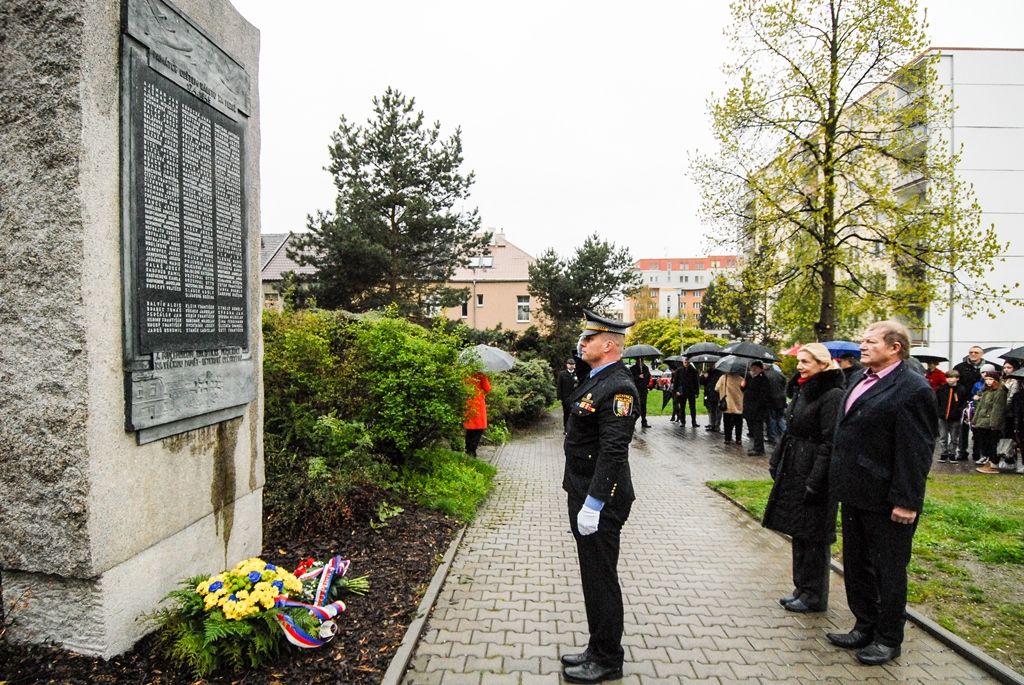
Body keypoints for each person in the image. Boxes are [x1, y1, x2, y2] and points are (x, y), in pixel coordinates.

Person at [827, 320, 936, 666]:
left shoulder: (912, 389)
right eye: (862, 340)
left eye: (870, 341)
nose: (862, 345)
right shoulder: (860, 378)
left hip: (888, 500)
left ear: (895, 348)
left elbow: (916, 450)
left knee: (888, 570)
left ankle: (889, 639)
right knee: (856, 565)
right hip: (855, 492)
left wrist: (907, 500)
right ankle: (864, 625)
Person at [560, 310, 639, 684]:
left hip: (600, 499)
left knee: (601, 577)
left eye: (588, 339)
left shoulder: (619, 387)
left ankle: (609, 659)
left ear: (608, 345)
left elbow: (613, 451)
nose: (582, 343)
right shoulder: (598, 378)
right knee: (592, 577)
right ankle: (597, 647)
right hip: (582, 489)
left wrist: (594, 504)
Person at [763, 343, 844, 614]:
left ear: (822, 364)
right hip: (795, 466)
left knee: (815, 536)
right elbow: (790, 430)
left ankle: (814, 594)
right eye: (799, 361)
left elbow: (829, 441)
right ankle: (801, 587)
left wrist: (816, 479)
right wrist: (777, 461)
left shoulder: (832, 395)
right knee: (799, 529)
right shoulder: (803, 389)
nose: (799, 366)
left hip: (813, 470)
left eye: (806, 362)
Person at [972, 368, 1007, 473]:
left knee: (993, 444)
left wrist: (994, 424)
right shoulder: (985, 391)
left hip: (992, 423)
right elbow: (980, 407)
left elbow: (998, 409)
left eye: (990, 379)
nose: (988, 381)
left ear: (996, 380)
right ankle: (989, 462)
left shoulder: (1000, 392)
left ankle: (993, 464)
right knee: (985, 443)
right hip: (982, 422)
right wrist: (975, 420)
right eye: (986, 379)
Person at [954, 346, 985, 460]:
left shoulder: (987, 368)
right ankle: (962, 452)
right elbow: (955, 385)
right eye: (971, 352)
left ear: (981, 354)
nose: (973, 354)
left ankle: (977, 453)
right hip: (964, 402)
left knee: (978, 429)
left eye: (976, 352)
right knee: (963, 428)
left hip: (980, 403)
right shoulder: (960, 367)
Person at [935, 369, 967, 463]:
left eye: (952, 377)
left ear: (957, 378)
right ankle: (943, 453)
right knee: (943, 437)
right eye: (948, 377)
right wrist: (939, 411)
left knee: (954, 438)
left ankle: (952, 453)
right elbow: (937, 400)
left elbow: (964, 402)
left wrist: (959, 411)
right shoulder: (942, 388)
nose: (949, 380)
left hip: (955, 418)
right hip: (942, 417)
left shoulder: (961, 389)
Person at [741, 361, 771, 455]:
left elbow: (764, 395)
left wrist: (757, 406)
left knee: (758, 429)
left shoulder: (763, 379)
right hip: (749, 408)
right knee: (753, 429)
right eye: (752, 367)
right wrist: (742, 386)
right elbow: (745, 390)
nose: (753, 369)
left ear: (761, 369)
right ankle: (756, 446)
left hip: (758, 410)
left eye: (755, 367)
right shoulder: (750, 377)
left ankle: (759, 449)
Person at [463, 371, 491, 457]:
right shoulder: (481, 374)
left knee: (470, 428)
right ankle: (472, 451)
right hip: (478, 403)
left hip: (468, 402)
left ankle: (468, 450)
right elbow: (487, 388)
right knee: (478, 429)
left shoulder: (465, 373)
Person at [715, 370, 745, 445]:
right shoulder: (741, 379)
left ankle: (727, 439)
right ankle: (738, 439)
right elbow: (745, 389)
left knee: (727, 422)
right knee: (738, 422)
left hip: (727, 404)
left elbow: (716, 388)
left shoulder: (723, 378)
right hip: (738, 403)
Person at [675, 357, 701, 427]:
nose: (686, 364)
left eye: (687, 362)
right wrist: (676, 391)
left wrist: (697, 392)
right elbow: (676, 382)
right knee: (682, 408)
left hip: (691, 391)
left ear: (689, 363)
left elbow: (696, 382)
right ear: (683, 362)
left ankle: (694, 422)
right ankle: (683, 422)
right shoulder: (679, 370)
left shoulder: (693, 370)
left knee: (692, 408)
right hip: (682, 392)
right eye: (685, 362)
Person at [557, 358, 579, 432]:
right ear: (567, 365)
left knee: (576, 413)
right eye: (570, 364)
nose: (571, 366)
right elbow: (559, 386)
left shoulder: (578, 374)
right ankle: (566, 429)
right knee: (566, 414)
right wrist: (559, 398)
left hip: (576, 397)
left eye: (573, 364)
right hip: (565, 398)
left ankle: (574, 429)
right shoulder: (562, 374)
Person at [630, 359, 652, 428]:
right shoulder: (632, 368)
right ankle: (633, 421)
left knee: (643, 406)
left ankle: (644, 421)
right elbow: (630, 378)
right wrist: (638, 376)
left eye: (642, 361)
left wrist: (646, 382)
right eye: (639, 361)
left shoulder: (646, 368)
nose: (641, 362)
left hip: (643, 390)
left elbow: (648, 377)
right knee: (636, 406)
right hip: (636, 390)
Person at [702, 366, 723, 433]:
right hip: (709, 394)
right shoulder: (708, 371)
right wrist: (704, 377)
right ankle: (712, 425)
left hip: (718, 394)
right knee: (711, 410)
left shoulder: (720, 372)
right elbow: (702, 383)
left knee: (718, 411)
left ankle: (717, 426)